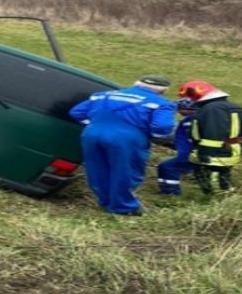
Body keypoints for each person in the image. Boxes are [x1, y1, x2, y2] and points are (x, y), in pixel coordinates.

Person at [69, 75, 177, 215]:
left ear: (136, 84)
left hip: (92, 134)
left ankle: (105, 202)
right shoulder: (161, 103)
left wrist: (94, 124)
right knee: (125, 171)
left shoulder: (102, 95)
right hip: (127, 137)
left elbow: (76, 112)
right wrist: (153, 136)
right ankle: (123, 207)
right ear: (163, 91)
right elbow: (162, 127)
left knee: (97, 169)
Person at [177, 81, 242, 194]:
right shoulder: (234, 107)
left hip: (216, 153)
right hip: (231, 149)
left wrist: (205, 154)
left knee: (214, 181)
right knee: (223, 175)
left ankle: (216, 201)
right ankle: (226, 197)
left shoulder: (212, 109)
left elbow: (213, 133)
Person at [155, 98, 198, 195]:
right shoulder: (193, 119)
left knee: (167, 167)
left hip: (191, 154)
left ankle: (171, 192)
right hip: (191, 153)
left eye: (180, 109)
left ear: (188, 109)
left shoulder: (189, 121)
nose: (178, 111)